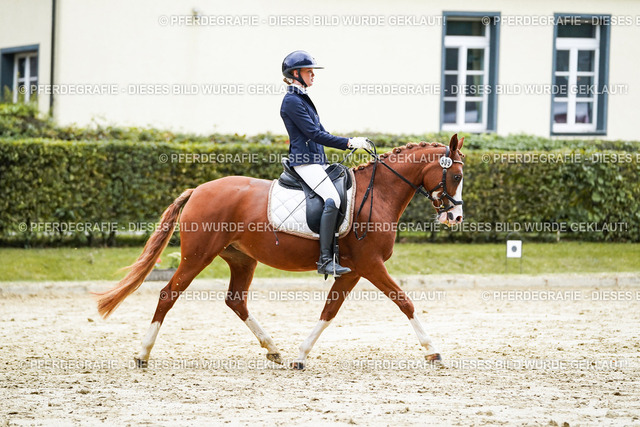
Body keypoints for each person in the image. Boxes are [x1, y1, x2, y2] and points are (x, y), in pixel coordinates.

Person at [280, 50, 371, 277]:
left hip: (316, 161)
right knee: (332, 199)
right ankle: (325, 260)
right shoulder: (292, 101)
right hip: (305, 162)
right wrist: (349, 143)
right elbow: (313, 134)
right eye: (309, 71)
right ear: (295, 73)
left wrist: (350, 140)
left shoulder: (302, 98)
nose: (313, 75)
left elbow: (322, 132)